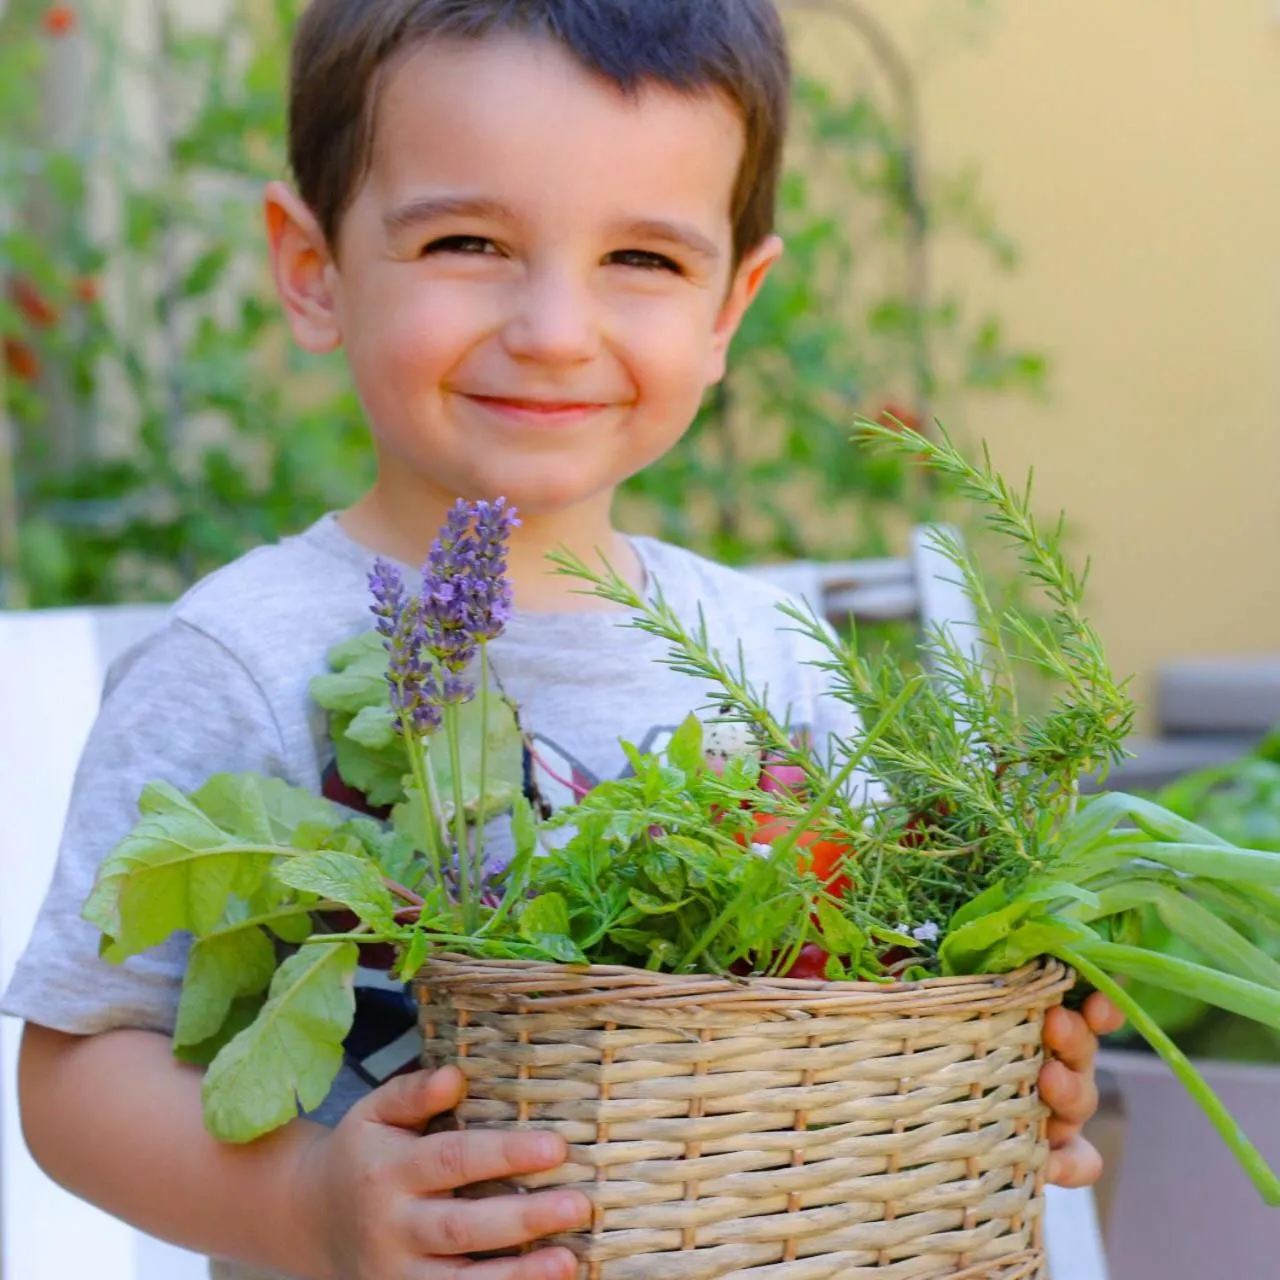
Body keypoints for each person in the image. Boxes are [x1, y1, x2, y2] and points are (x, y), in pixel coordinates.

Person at [1, 3, 1125, 1278]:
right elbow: (79, 1065)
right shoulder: (246, 655)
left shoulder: (776, 654)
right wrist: (308, 1202)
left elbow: (878, 980)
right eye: (466, 240)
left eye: (640, 259)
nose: (551, 328)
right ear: (312, 268)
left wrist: (985, 1073)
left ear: (728, 305)